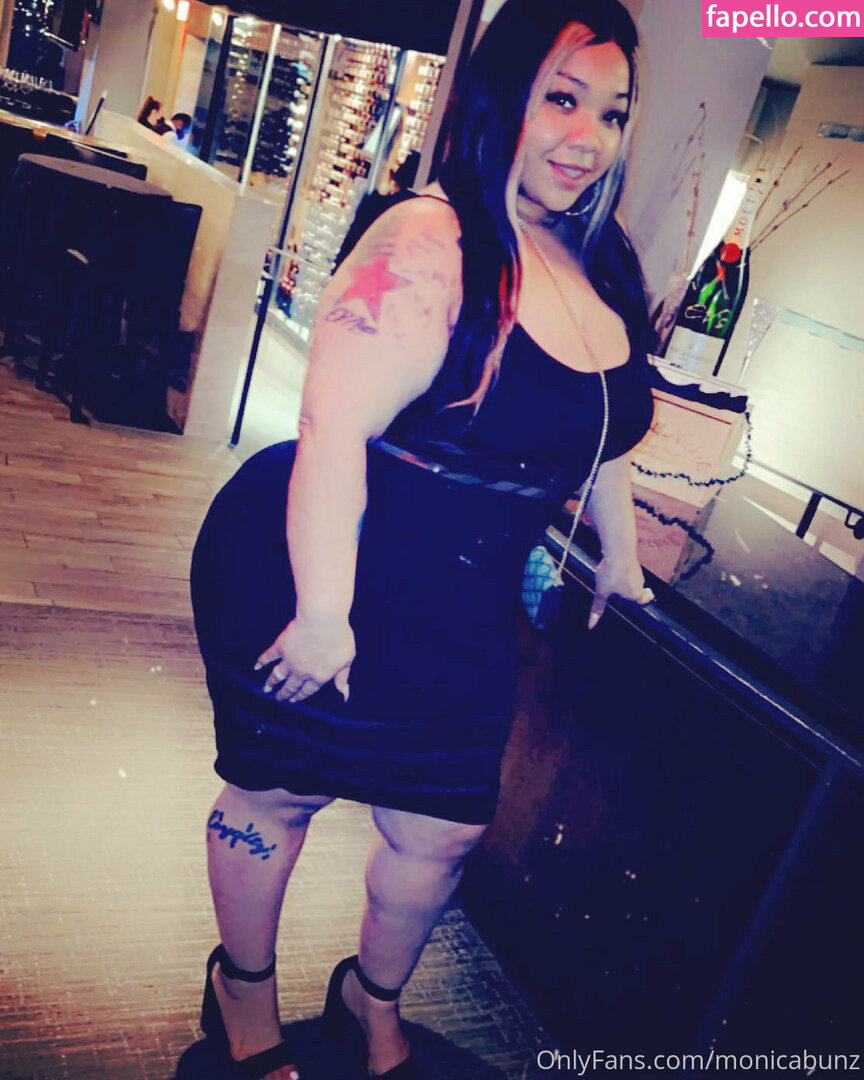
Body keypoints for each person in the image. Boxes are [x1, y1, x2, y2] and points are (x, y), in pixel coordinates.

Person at [189, 1, 655, 1078]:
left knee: (440, 829)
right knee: (278, 793)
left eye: (612, 112)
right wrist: (322, 615)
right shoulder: (428, 239)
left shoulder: (600, 259)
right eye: (562, 98)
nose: (587, 137)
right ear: (503, 94)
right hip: (323, 565)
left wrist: (621, 554)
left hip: (463, 606)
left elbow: (602, 429)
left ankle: (369, 998)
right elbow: (332, 427)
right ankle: (243, 997)